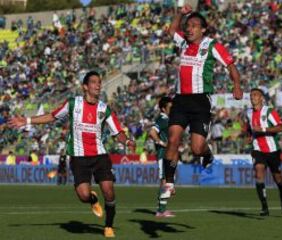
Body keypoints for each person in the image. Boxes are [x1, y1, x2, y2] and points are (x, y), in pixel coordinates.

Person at [8, 71, 135, 238]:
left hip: (100, 156)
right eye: (94, 82)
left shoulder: (104, 109)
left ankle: (108, 226)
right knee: (83, 195)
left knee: (109, 190)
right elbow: (52, 117)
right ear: (85, 87)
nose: (98, 85)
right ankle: (92, 200)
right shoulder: (73, 104)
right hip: (79, 157)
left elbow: (117, 132)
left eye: (99, 82)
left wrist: (126, 141)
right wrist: (28, 120)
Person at [163, 4, 243, 200]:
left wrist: (237, 85)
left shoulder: (212, 46)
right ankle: (169, 183)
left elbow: (230, 65)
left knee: (197, 148)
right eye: (187, 26)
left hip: (200, 101)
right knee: (172, 139)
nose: (189, 29)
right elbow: (172, 30)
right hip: (181, 99)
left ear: (203, 29)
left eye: (194, 25)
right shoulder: (183, 44)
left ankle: (207, 155)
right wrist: (179, 14)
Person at [244, 88, 282, 216]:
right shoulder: (248, 113)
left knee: (277, 177)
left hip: (272, 150)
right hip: (257, 148)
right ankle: (264, 206)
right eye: (251, 95)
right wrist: (249, 136)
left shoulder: (269, 111)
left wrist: (263, 129)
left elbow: (280, 127)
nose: (253, 97)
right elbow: (249, 127)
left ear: (261, 97)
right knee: (258, 171)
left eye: (255, 95)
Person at [148, 96, 175, 218]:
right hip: (163, 154)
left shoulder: (168, 119)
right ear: (163, 109)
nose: (172, 109)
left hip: (168, 154)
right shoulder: (162, 119)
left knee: (167, 181)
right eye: (170, 107)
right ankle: (161, 210)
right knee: (164, 181)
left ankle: (162, 208)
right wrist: (161, 143)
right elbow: (152, 132)